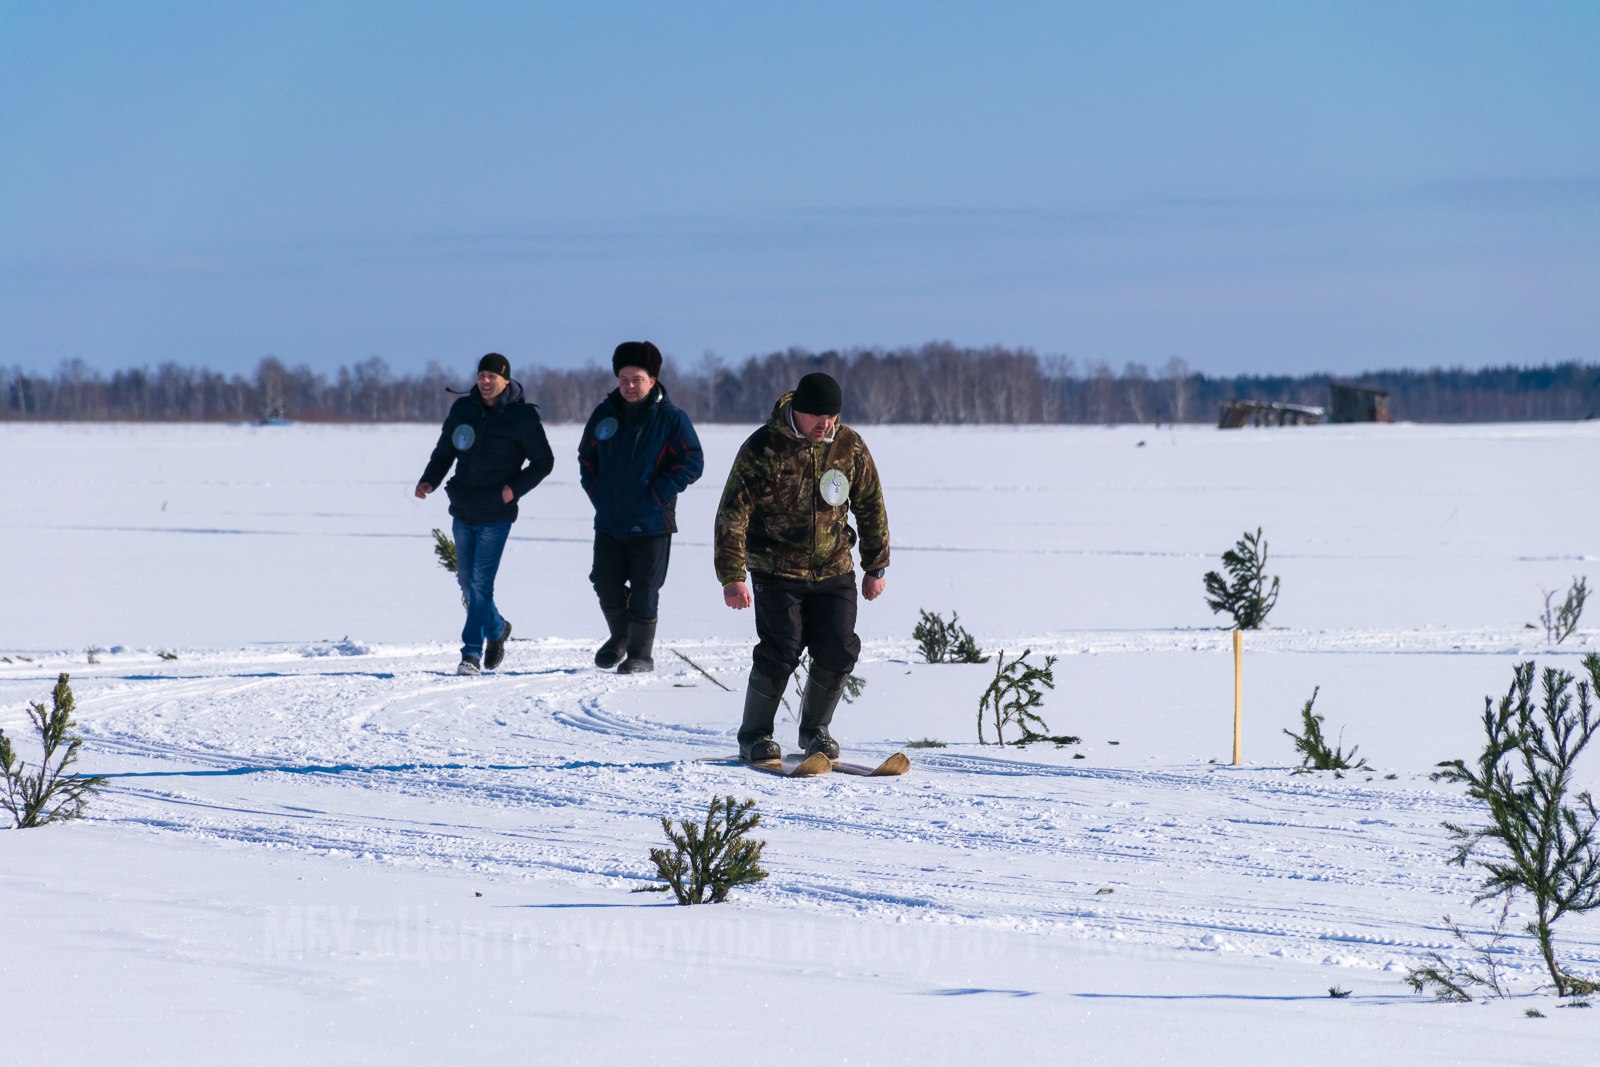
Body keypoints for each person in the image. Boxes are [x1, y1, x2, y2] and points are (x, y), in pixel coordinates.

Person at [714, 371, 889, 761]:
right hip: (776, 571)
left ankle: (815, 732)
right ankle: (754, 736)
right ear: (797, 410)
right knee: (781, 649)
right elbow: (732, 515)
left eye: (832, 417)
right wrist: (732, 576)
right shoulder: (762, 447)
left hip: (834, 568)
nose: (825, 425)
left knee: (839, 648)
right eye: (817, 417)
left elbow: (870, 505)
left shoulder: (849, 446)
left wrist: (875, 566)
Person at [416, 353, 554, 675]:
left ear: (506, 380)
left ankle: (471, 654)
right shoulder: (463, 410)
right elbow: (445, 450)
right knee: (467, 583)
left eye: (493, 376)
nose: (486, 381)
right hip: (463, 508)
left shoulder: (522, 417)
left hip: (497, 512)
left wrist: (513, 489)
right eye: (481, 376)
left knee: (481, 583)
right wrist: (429, 480)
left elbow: (544, 462)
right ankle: (497, 629)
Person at [578, 341, 704, 673]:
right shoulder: (605, 414)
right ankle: (620, 638)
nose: (630, 386)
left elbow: (692, 461)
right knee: (604, 580)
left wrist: (658, 491)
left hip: (651, 521)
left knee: (646, 588)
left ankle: (640, 654)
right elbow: (586, 458)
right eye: (624, 380)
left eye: (637, 379)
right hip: (609, 519)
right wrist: (598, 493)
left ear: (652, 379)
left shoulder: (671, 418)